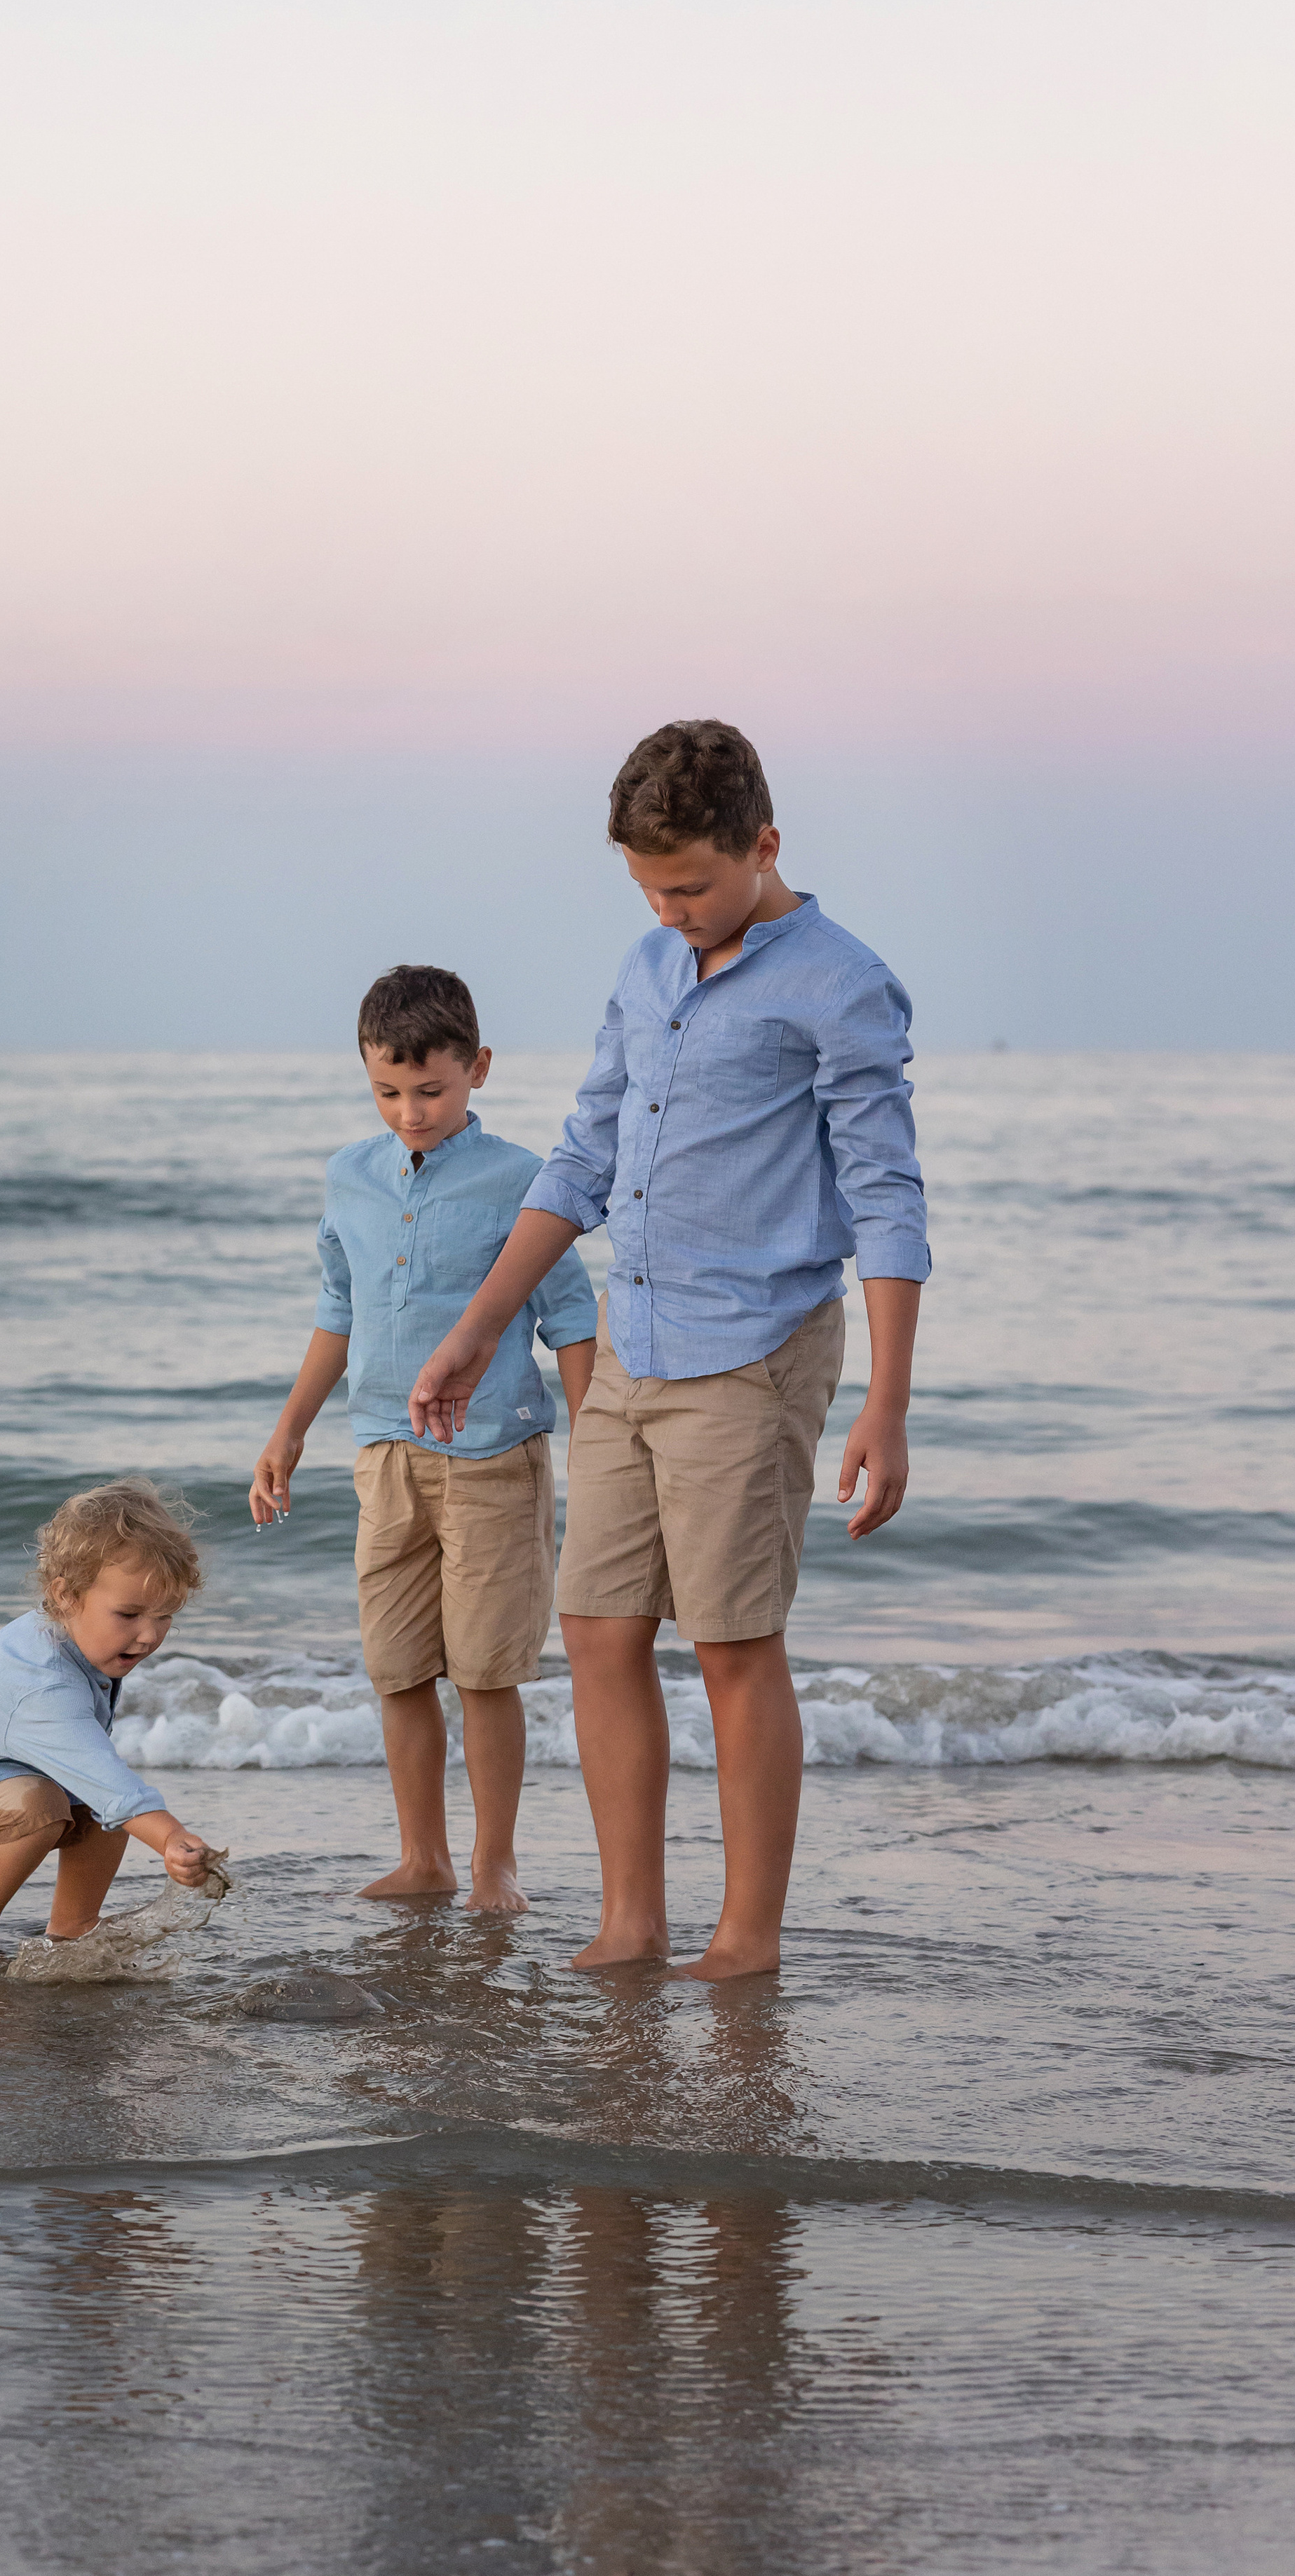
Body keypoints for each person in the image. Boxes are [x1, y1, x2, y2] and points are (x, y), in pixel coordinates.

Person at [407, 721, 929, 1978]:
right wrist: (477, 1331)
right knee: (595, 1630)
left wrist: (889, 1401)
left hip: (751, 1351)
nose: (670, 908)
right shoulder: (647, 969)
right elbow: (581, 1161)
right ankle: (631, 1922)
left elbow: (888, 1194)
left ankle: (747, 1937)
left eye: (691, 884)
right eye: (648, 887)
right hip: (631, 1348)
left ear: (765, 845)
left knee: (736, 1644)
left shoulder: (842, 983)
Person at [251, 965, 599, 1911]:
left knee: (486, 1674)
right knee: (397, 1668)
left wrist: (600, 1451)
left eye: (431, 1091)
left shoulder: (525, 1179)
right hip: (383, 1458)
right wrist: (289, 1433)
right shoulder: (347, 1177)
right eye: (388, 1092)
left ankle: (495, 1865)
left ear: (478, 1068)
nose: (410, 1111)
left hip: (496, 1457)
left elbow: (569, 1316)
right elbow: (337, 1309)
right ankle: (424, 1858)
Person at [0, 1478, 217, 1964]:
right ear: (65, 1596)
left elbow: (104, 1784)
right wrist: (171, 1838)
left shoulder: (79, 1642)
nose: (148, 1635)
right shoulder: (43, 1682)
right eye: (128, 1614)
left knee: (103, 1795)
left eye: (166, 1616)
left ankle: (74, 1926)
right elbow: (111, 1786)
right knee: (48, 1802)